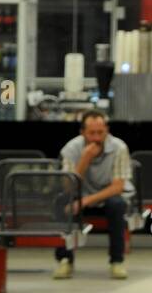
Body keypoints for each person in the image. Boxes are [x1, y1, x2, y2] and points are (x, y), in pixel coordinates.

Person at [53, 110, 132, 280]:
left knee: (117, 205)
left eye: (100, 133)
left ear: (107, 130)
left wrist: (86, 201)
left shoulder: (119, 148)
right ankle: (65, 259)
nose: (96, 137)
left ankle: (116, 261)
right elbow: (68, 187)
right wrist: (84, 159)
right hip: (80, 192)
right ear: (82, 133)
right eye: (92, 133)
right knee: (61, 201)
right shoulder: (71, 149)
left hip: (107, 194)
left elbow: (117, 187)